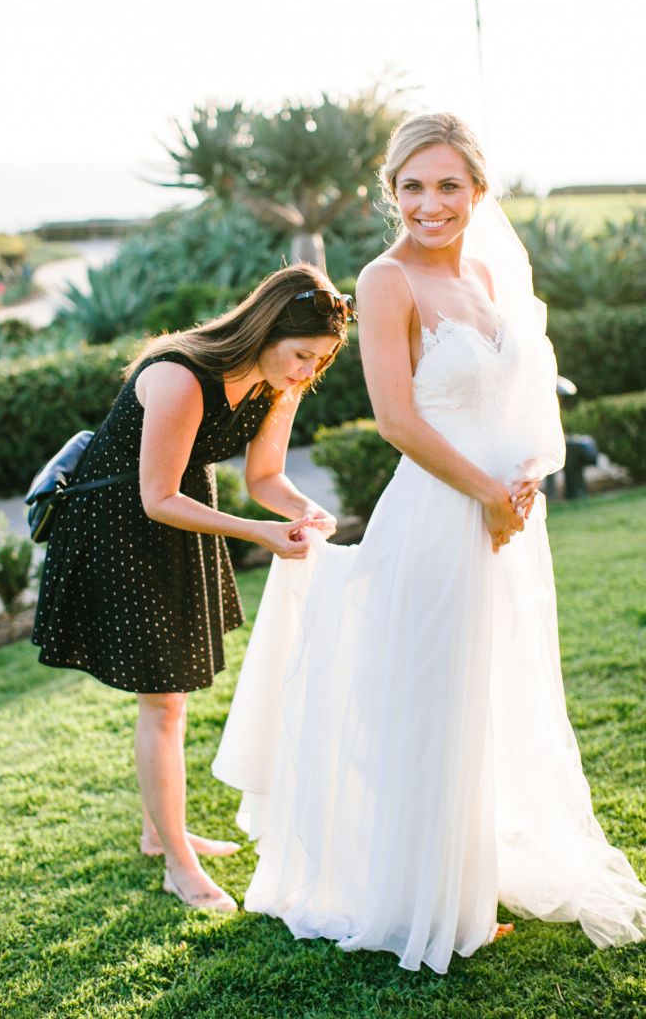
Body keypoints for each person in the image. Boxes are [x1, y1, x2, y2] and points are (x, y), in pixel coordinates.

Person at [213, 114, 646, 970]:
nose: (430, 204)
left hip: (504, 518)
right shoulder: (386, 281)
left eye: (448, 185)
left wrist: (522, 477)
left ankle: (468, 874)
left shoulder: (486, 272)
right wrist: (486, 494)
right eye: (412, 186)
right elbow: (398, 420)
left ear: (477, 190)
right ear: (392, 192)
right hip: (441, 516)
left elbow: (516, 395)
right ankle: (427, 898)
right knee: (432, 704)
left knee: (489, 693)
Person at [32, 264, 353, 912]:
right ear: (266, 330)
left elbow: (265, 479)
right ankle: (177, 864)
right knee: (164, 700)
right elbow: (156, 496)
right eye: (301, 356)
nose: (306, 373)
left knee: (171, 693)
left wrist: (304, 510)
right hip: (119, 525)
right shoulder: (180, 374)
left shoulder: (279, 384)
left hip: (183, 518)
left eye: (319, 362)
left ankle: (161, 833)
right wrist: (259, 533)